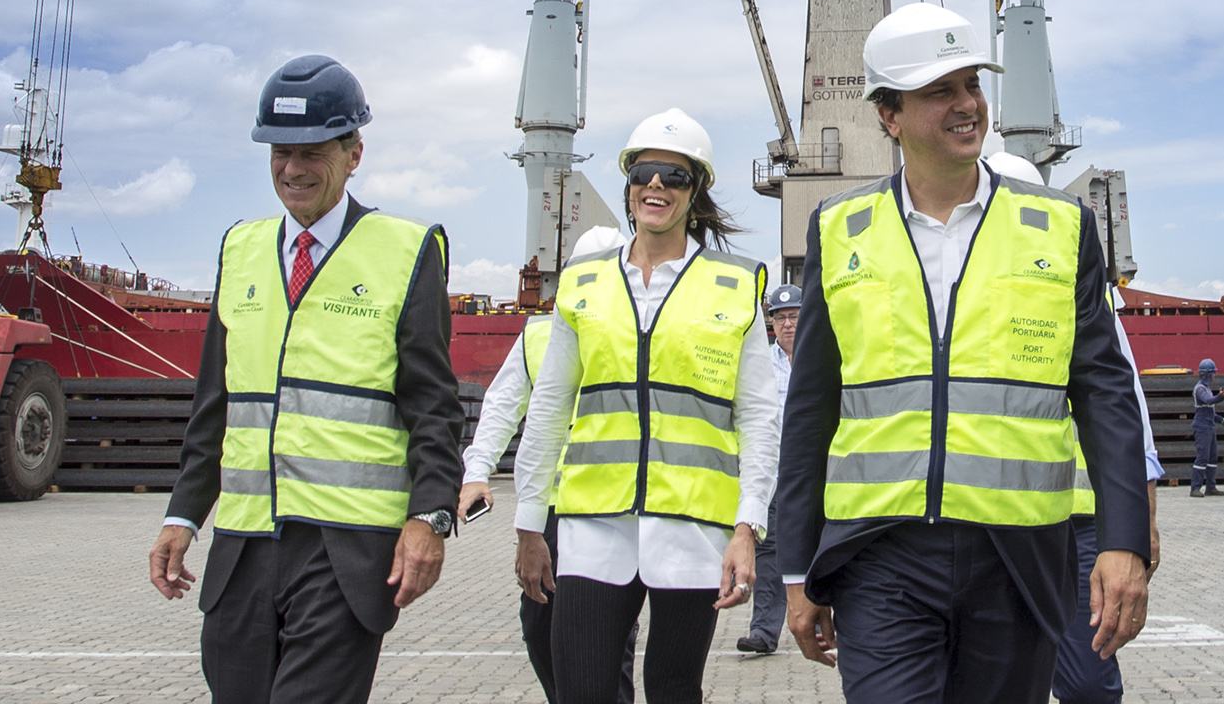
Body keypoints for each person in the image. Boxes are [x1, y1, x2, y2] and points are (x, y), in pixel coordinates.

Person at [776, 3, 1152, 704]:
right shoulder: (841, 229)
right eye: (939, 91)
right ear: (888, 115)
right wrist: (797, 569)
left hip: (1019, 557)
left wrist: (1124, 542)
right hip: (878, 554)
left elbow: (1106, 395)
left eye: (971, 84)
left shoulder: (1062, 228)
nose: (965, 105)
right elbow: (811, 411)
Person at [148, 55, 465, 704]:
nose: (292, 168)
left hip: (344, 553)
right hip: (243, 547)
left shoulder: (406, 251)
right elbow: (217, 405)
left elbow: (434, 409)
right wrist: (184, 513)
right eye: (279, 151)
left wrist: (430, 518)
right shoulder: (241, 249)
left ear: (354, 153)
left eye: (313, 150)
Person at [510, 109, 781, 704]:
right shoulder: (584, 282)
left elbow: (761, 419)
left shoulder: (737, 285)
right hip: (591, 529)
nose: (656, 186)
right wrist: (530, 526)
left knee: (673, 689)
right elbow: (551, 408)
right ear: (629, 182)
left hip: (693, 528)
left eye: (675, 177)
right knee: (580, 688)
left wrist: (747, 528)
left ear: (696, 191)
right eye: (644, 172)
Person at [982, 152, 1164, 704]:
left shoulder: (1084, 293)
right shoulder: (961, 297)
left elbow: (1125, 407)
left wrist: (1139, 525)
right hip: (989, 517)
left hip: (1081, 524)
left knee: (1086, 681)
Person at [459, 225, 637, 704]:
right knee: (540, 629)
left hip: (610, 508)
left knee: (607, 644)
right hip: (550, 513)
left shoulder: (638, 333)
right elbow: (500, 406)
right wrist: (477, 472)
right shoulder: (539, 335)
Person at [737, 281, 802, 655]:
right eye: (780, 318)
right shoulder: (760, 363)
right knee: (770, 551)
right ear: (771, 324)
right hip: (776, 476)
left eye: (794, 315)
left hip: (818, 477)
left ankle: (847, 627)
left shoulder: (825, 358)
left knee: (835, 550)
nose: (788, 324)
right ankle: (763, 632)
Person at [1191, 358, 1224, 497]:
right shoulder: (1200, 389)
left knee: (1212, 458)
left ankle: (1210, 486)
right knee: (1202, 457)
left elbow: (1211, 412)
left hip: (1209, 427)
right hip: (1202, 427)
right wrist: (1220, 397)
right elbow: (1208, 401)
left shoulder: (1206, 389)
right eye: (1213, 373)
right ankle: (1195, 487)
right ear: (1208, 374)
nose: (1214, 376)